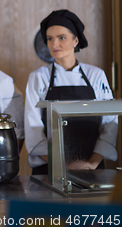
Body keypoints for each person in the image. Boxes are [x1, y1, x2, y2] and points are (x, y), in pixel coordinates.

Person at [25, 10, 118, 175]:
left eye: (62, 38)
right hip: (49, 170)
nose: (54, 45)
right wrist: (62, 165)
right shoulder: (38, 77)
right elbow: (33, 128)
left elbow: (110, 123)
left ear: (76, 40)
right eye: (50, 39)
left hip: (91, 168)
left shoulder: (96, 75)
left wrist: (91, 163)